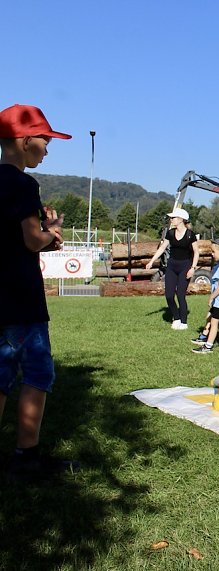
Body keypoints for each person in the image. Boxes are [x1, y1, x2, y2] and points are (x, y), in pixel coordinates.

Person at [0, 103, 79, 479]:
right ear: (26, 139)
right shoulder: (22, 183)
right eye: (45, 141)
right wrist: (54, 229)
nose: (47, 149)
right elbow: (32, 241)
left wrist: (45, 236)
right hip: (20, 297)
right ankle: (26, 457)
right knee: (35, 372)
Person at [145, 207, 200, 330]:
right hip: (171, 266)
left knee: (180, 295)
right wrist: (151, 261)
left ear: (181, 219)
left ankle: (184, 322)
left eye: (173, 217)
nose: (171, 219)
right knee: (169, 295)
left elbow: (196, 252)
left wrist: (193, 268)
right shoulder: (170, 233)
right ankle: (176, 318)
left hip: (185, 267)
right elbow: (162, 248)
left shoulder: (190, 235)